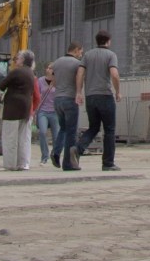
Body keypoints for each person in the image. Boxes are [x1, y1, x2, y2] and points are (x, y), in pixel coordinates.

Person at [73, 30, 121, 172]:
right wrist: (118, 91)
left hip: (90, 97)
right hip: (105, 95)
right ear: (108, 41)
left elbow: (80, 73)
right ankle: (108, 163)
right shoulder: (111, 55)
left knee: (93, 127)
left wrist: (79, 92)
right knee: (109, 130)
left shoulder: (87, 55)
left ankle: (78, 148)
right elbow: (114, 74)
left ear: (97, 41)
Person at [0, 49, 36, 171]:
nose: (16, 60)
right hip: (26, 107)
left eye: (18, 58)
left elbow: (2, 85)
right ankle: (23, 163)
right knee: (23, 138)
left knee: (10, 137)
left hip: (12, 108)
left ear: (23, 60)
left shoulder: (16, 72)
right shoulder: (31, 73)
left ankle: (10, 164)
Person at [52, 42, 83, 171]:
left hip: (57, 99)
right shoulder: (77, 64)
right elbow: (79, 79)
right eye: (80, 52)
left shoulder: (57, 62)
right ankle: (68, 163)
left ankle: (56, 151)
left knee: (63, 128)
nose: (81, 55)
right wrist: (79, 93)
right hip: (70, 98)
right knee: (71, 131)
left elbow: (53, 82)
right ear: (76, 50)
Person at [36, 62, 59, 165]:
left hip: (54, 111)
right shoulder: (40, 81)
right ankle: (44, 156)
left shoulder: (57, 81)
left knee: (56, 135)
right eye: (49, 68)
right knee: (42, 132)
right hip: (43, 110)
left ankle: (55, 154)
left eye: (52, 68)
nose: (50, 70)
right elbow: (37, 95)